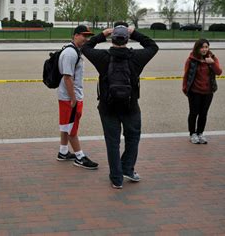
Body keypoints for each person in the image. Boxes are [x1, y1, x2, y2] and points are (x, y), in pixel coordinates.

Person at [82, 23, 158, 189]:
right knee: (133, 138)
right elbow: (153, 46)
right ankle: (127, 168)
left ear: (112, 39)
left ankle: (116, 178)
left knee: (112, 142)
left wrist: (102, 34)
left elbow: (86, 47)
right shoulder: (136, 57)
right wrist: (135, 33)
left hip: (108, 107)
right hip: (130, 106)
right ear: (127, 39)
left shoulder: (103, 57)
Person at [56, 25, 99, 170]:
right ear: (75, 35)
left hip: (66, 96)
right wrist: (73, 98)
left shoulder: (72, 50)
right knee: (72, 128)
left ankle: (63, 152)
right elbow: (67, 77)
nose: (86, 38)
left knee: (65, 125)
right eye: (83, 35)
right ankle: (80, 157)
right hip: (70, 98)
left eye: (88, 36)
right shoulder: (70, 53)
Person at [182, 39, 222, 144]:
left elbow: (219, 72)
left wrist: (212, 63)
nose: (204, 49)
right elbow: (186, 76)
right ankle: (192, 134)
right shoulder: (191, 60)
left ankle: (200, 133)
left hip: (208, 92)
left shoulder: (212, 58)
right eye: (202, 47)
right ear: (197, 48)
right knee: (194, 113)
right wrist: (185, 89)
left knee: (203, 113)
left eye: (206, 47)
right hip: (194, 91)